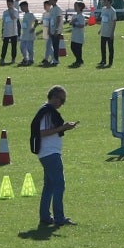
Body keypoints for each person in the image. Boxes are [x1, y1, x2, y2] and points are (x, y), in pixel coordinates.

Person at [30, 86, 77, 228]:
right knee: (59, 185)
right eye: (61, 99)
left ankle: (45, 217)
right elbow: (42, 132)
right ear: (54, 97)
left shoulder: (47, 111)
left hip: (47, 153)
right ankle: (59, 218)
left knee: (49, 185)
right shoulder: (47, 112)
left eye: (63, 101)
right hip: (50, 153)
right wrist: (63, 128)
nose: (61, 103)